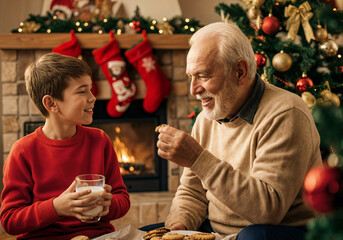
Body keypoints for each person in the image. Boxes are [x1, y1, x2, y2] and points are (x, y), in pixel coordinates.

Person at [154, 22, 322, 239]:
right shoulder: (208, 118)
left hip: (280, 231)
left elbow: (267, 210)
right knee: (153, 234)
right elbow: (192, 192)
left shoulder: (286, 113)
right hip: (218, 232)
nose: (193, 90)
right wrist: (179, 225)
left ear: (240, 72)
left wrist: (198, 159)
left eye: (203, 75)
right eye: (190, 77)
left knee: (253, 236)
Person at [0, 53, 130, 240]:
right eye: (82, 91)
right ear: (51, 103)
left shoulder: (100, 140)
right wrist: (56, 207)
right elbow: (10, 220)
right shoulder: (23, 151)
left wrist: (109, 204)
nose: (93, 97)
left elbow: (122, 198)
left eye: (91, 90)